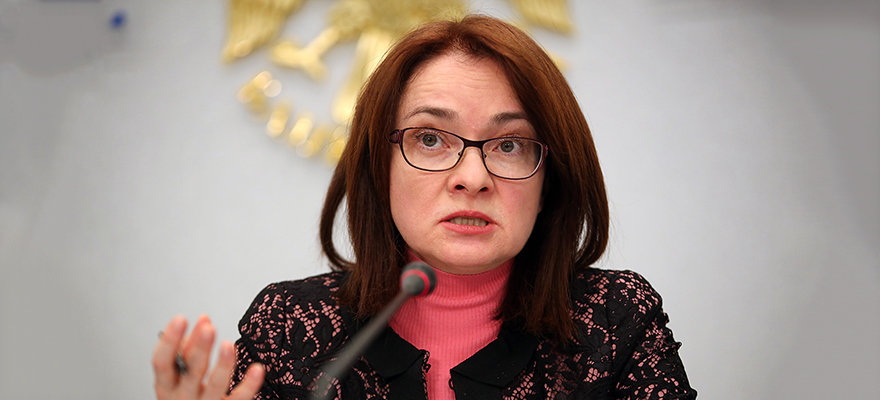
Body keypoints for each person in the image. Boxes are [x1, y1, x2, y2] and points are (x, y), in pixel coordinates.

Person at [152, 14, 697, 400]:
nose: (472, 179)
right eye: (431, 139)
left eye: (510, 145)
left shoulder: (614, 320)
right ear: (380, 166)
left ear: (549, 179)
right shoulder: (289, 326)